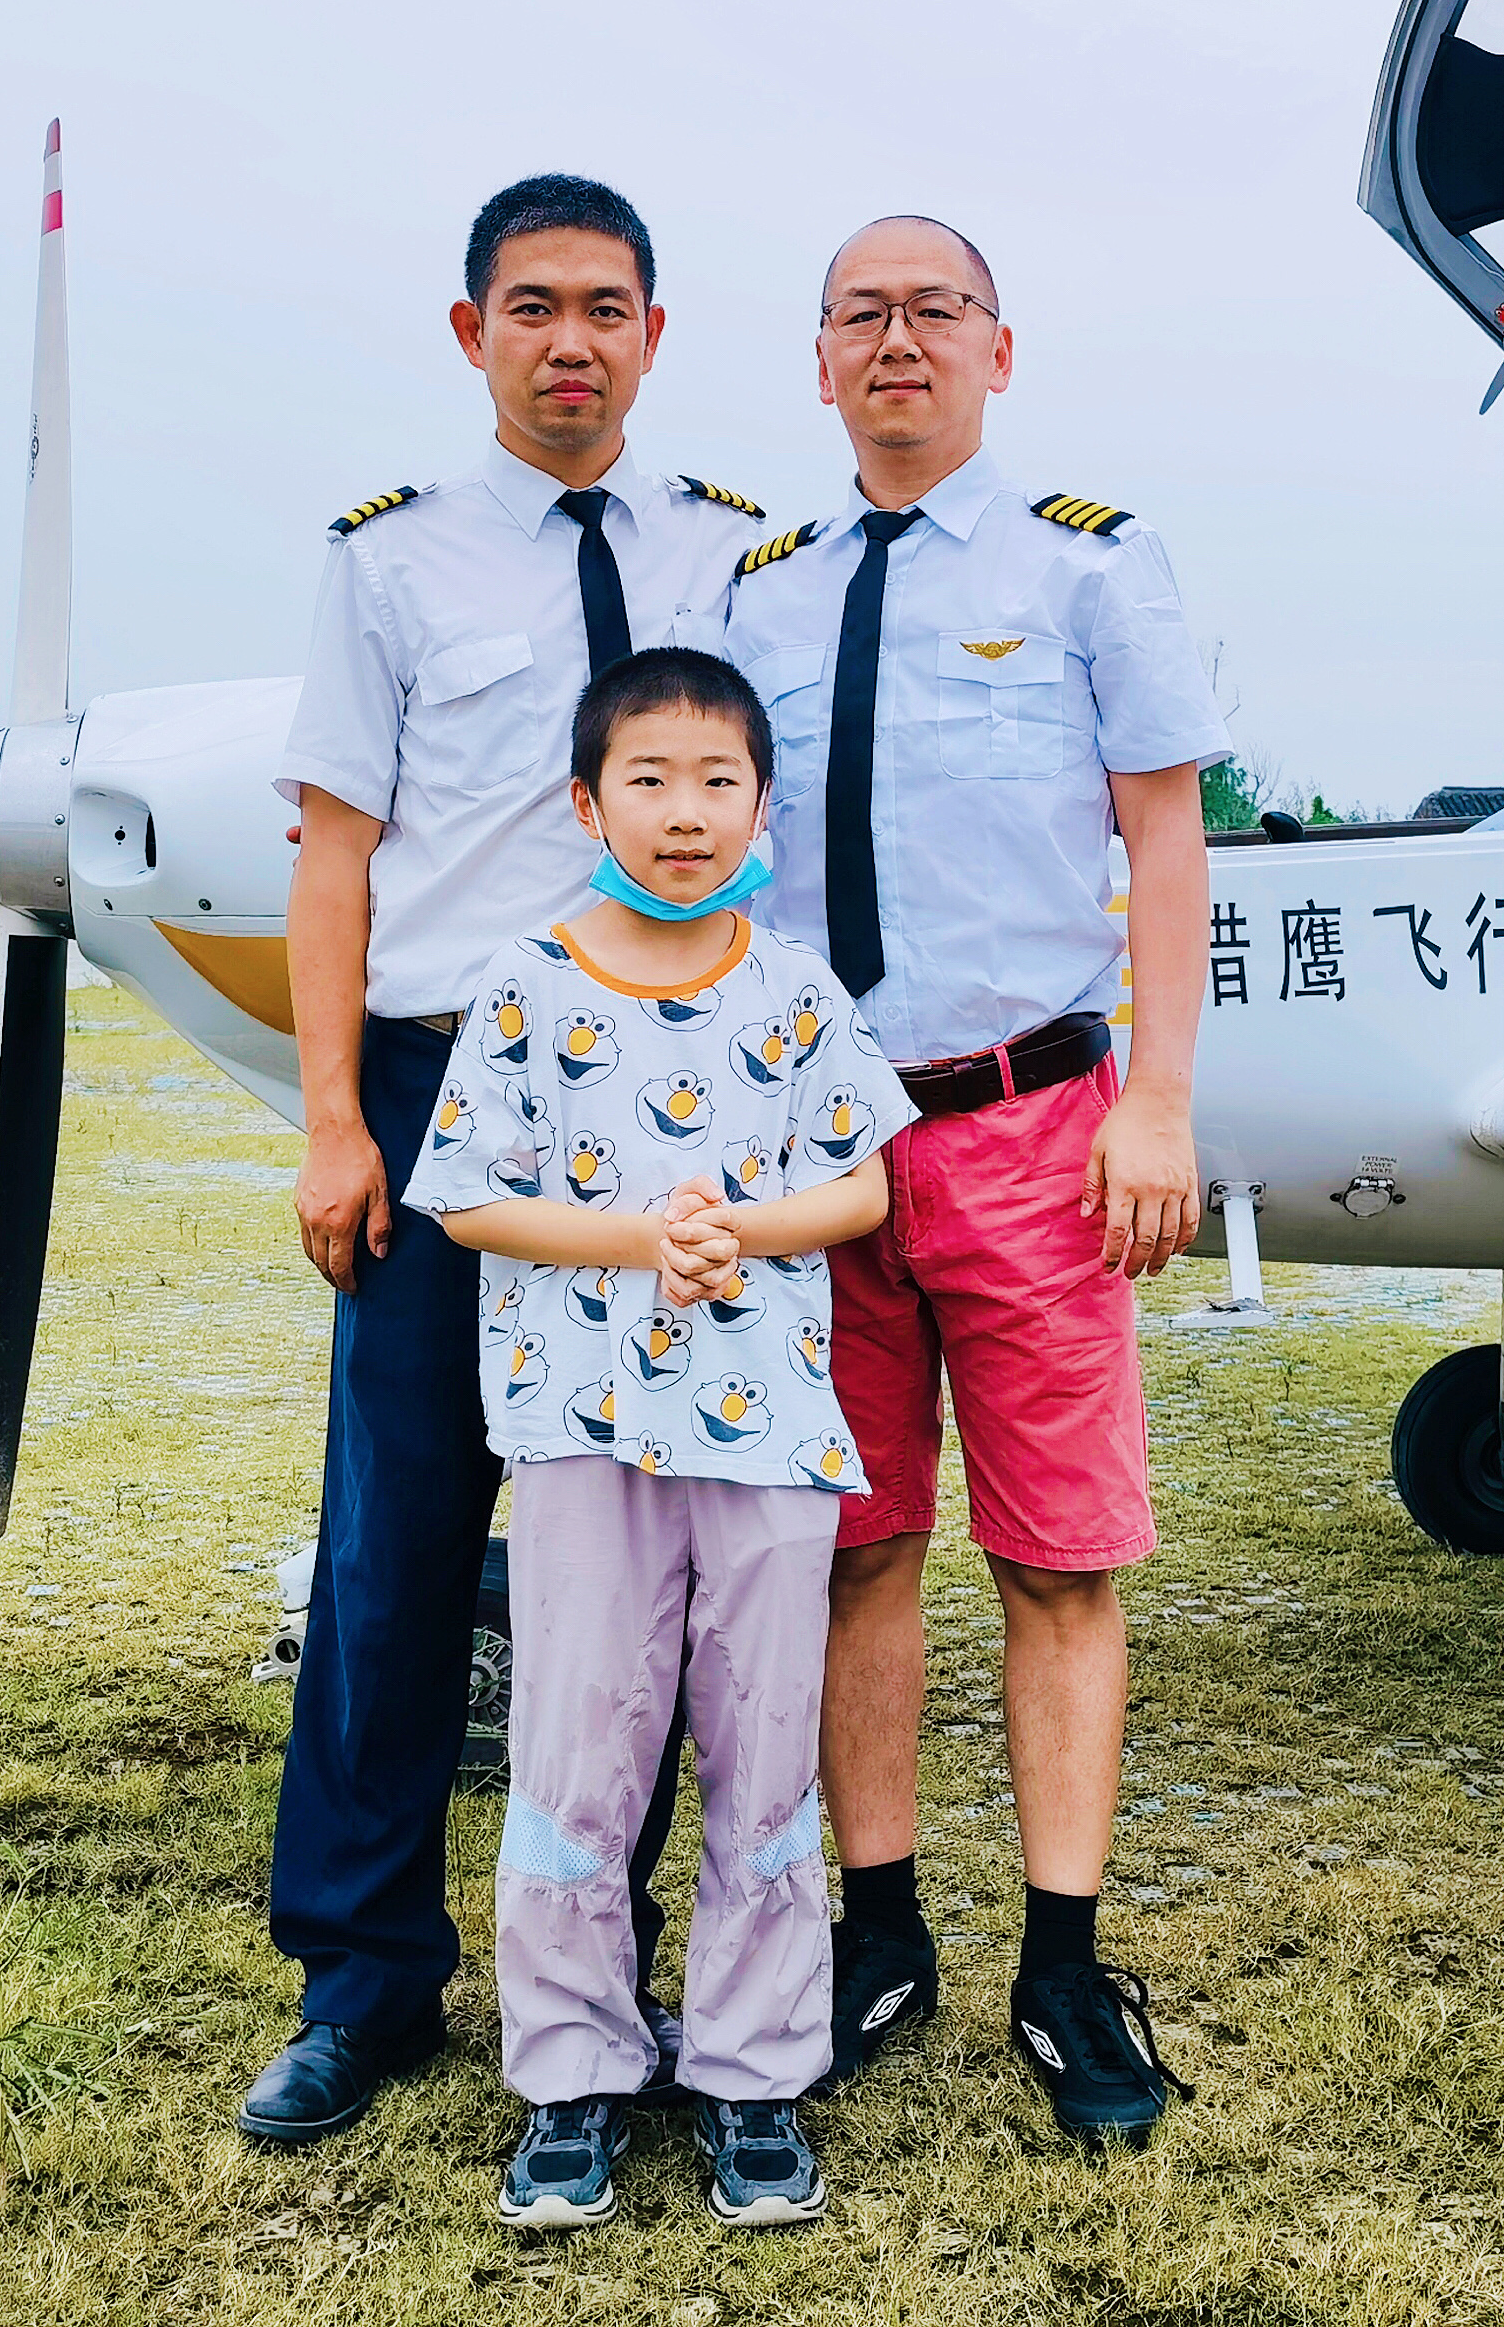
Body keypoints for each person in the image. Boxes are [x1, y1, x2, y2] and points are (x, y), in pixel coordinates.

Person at [243, 175, 769, 2146]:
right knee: (391, 1553)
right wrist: (330, 1124)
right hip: (442, 1092)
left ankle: (611, 1979)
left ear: (655, 334)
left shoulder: (731, 552)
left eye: (606, 308)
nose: (572, 342)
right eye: (533, 307)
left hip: (667, 1109)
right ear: (471, 333)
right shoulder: (388, 562)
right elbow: (335, 858)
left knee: (641, 1569)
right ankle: (361, 1979)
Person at [720, 214, 1225, 2149]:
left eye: (936, 311)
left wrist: (1156, 1103)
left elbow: (1165, 843)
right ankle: (877, 1932)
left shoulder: (1089, 565)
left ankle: (1064, 1966)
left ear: (999, 352)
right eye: (862, 315)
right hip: (818, 1141)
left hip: (1032, 1127)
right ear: (819, 361)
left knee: (1058, 1559)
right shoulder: (762, 592)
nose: (899, 342)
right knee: (851, 1548)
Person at [406, 646, 908, 2230]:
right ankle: (572, 2075)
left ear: (762, 804)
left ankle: (755, 2075)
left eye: (717, 781)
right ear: (588, 803)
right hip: (580, 1431)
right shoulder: (527, 983)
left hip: (767, 1438)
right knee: (579, 1746)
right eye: (650, 779)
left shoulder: (796, 987)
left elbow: (862, 1184)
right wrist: (643, 1242)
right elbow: (467, 1196)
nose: (685, 812)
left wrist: (737, 1231)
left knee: (763, 1747)